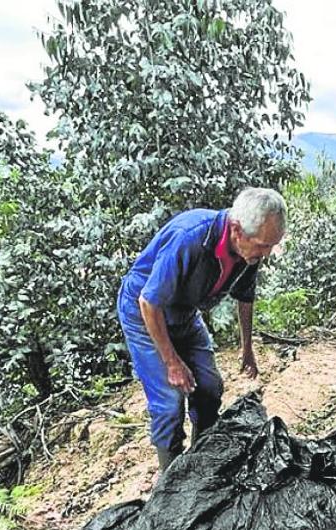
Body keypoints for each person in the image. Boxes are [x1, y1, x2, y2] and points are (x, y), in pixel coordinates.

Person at [118, 187, 286, 475]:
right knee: (170, 403)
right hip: (145, 314)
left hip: (183, 313)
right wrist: (172, 362)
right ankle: (170, 482)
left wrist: (247, 348)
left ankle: (202, 464)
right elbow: (149, 301)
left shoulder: (250, 253)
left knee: (209, 387)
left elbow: (245, 297)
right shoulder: (190, 238)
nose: (266, 253)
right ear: (236, 230)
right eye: (262, 245)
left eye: (271, 245)